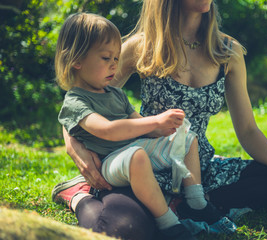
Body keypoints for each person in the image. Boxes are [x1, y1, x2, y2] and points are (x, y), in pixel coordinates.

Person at [52, 1, 267, 239]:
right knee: (124, 229)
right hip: (146, 166)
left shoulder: (228, 51)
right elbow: (81, 98)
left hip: (199, 170)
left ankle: (190, 203)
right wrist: (73, 146)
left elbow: (248, 129)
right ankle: (79, 195)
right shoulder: (142, 46)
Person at [53, 12, 234, 240]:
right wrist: (155, 121)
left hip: (134, 150)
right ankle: (168, 223)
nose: (114, 65)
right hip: (110, 161)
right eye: (106, 58)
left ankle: (196, 202)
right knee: (137, 156)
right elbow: (107, 130)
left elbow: (138, 122)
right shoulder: (75, 101)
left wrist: (164, 128)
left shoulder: (114, 93)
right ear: (76, 61)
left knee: (188, 138)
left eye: (116, 59)